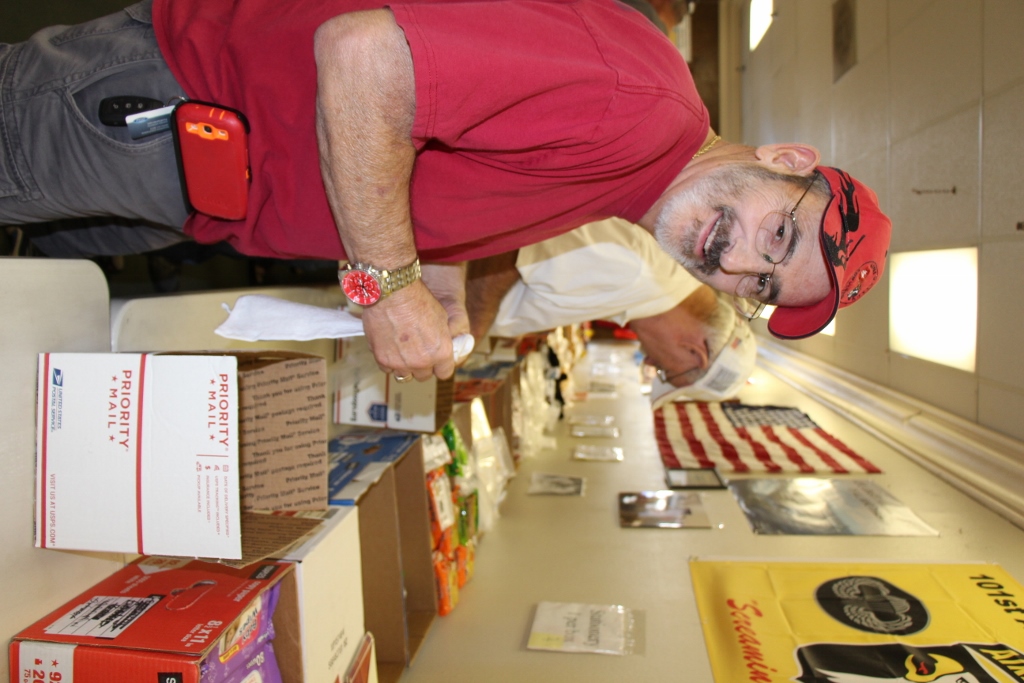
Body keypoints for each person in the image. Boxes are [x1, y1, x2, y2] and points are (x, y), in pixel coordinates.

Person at [0, 0, 891, 383]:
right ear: (787, 156)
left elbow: (456, 169)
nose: (733, 259)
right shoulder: (641, 110)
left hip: (198, 178)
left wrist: (442, 284)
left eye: (762, 286)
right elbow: (364, 55)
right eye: (779, 237)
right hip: (168, 102)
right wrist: (383, 285)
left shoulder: (638, 177)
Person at [466, 218, 756, 397]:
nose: (650, 364)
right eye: (667, 371)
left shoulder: (650, 284)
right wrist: (473, 327)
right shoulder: (634, 274)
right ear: (695, 353)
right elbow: (513, 232)